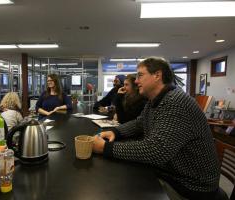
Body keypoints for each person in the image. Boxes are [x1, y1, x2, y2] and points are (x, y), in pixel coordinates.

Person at [93, 57, 223, 199]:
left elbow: (156, 150)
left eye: (140, 75)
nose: (136, 81)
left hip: (190, 186)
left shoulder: (176, 102)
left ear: (157, 75)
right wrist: (115, 131)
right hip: (173, 174)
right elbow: (139, 123)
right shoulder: (155, 100)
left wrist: (105, 148)